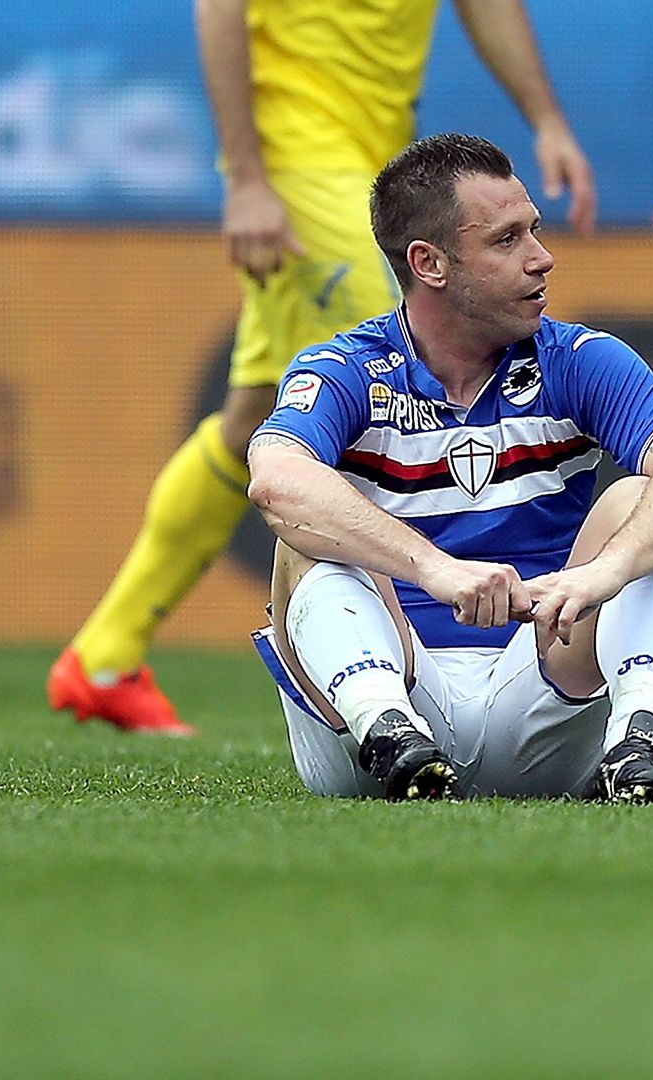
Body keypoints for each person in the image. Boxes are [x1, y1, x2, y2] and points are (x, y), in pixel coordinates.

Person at [48, 0, 598, 735]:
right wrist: (247, 177)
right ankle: (415, 671)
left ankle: (104, 657)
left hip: (376, 162)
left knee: (253, 418)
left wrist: (548, 119)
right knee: (400, 367)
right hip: (300, 166)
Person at [243, 133, 653, 801]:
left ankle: (639, 744)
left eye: (534, 230)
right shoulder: (349, 369)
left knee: (648, 505)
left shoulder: (581, 359)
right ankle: (390, 731)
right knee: (304, 534)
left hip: (542, 696)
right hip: (373, 717)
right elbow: (274, 479)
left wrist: (603, 573)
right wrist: (436, 570)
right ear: (430, 264)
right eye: (507, 241)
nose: (543, 258)